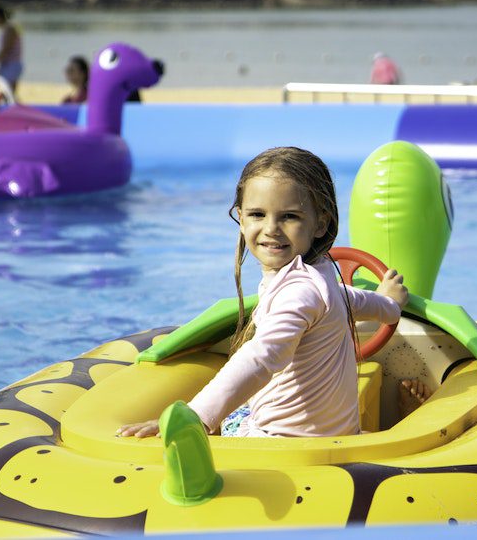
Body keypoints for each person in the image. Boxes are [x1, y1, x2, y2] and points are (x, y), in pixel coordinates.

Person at [119, 147, 410, 439]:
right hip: (341, 437)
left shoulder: (298, 292)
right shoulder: (321, 279)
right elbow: (353, 299)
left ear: (320, 223)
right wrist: (388, 304)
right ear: (241, 219)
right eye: (258, 214)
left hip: (277, 443)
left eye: (289, 216)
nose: (271, 229)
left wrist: (196, 415)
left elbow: (261, 357)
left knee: (235, 413)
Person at [0, 5, 23, 93]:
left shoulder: (10, 28)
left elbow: (6, 49)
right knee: (7, 92)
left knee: (6, 92)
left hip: (12, 65)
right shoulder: (6, 29)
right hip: (7, 64)